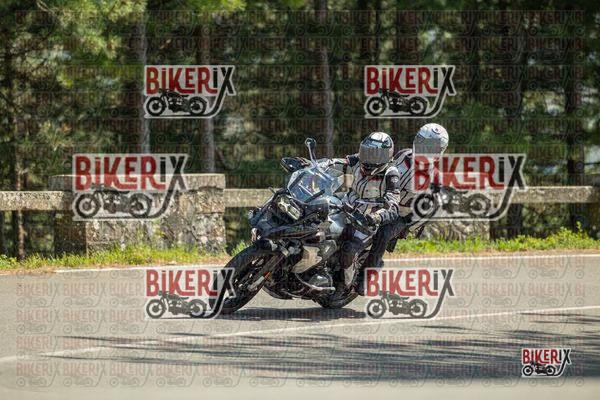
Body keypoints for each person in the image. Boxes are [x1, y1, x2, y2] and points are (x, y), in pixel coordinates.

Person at [354, 123, 449, 294]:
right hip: (380, 200)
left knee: (383, 233)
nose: (424, 149)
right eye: (422, 142)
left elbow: (427, 211)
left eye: (430, 147)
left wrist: (406, 225)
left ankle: (367, 275)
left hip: (402, 216)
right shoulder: (403, 154)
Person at [323, 131, 404, 298]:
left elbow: (393, 204)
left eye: (375, 155)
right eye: (367, 152)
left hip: (366, 220)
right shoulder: (356, 161)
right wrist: (310, 164)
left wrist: (376, 217)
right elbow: (332, 163)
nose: (369, 159)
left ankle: (344, 285)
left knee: (349, 248)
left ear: (387, 156)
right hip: (344, 207)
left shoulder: (391, 174)